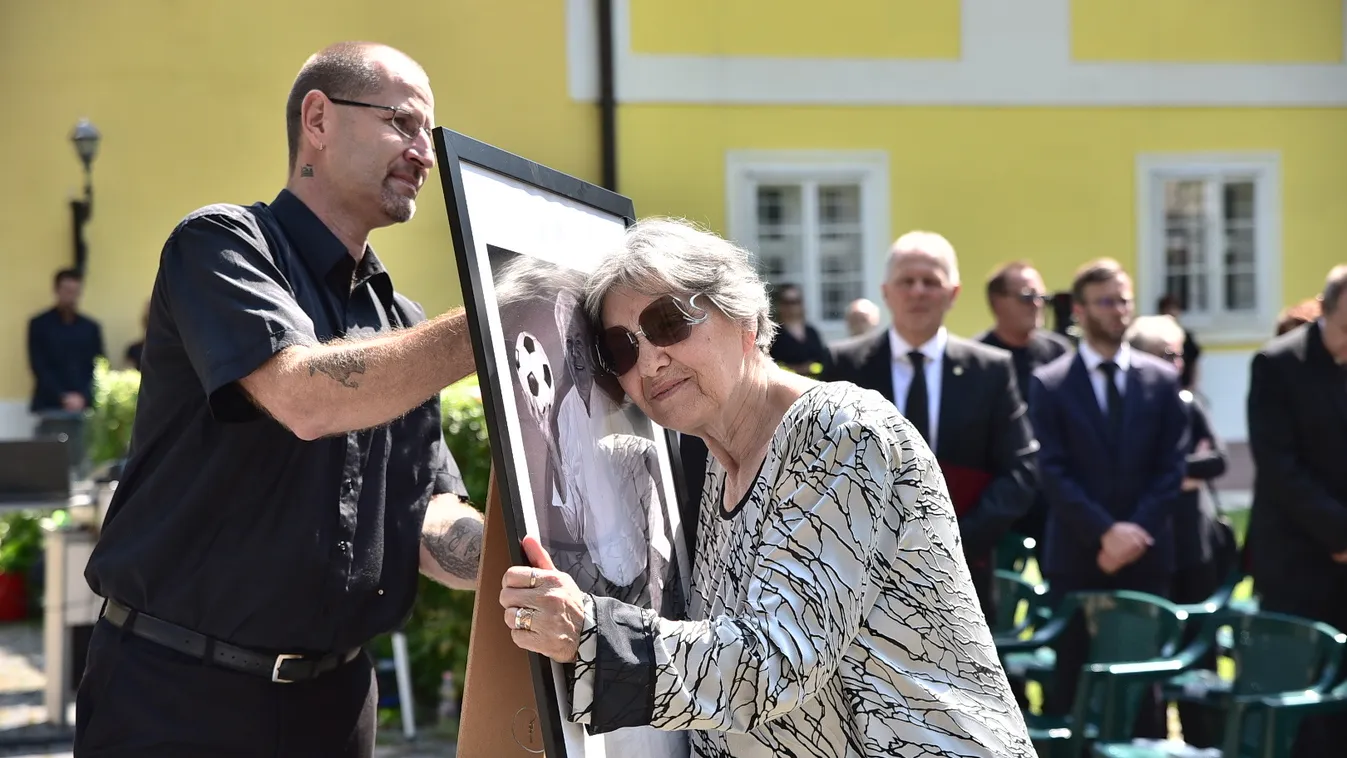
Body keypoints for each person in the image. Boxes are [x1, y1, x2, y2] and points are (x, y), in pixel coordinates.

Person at [76, 42, 486, 757]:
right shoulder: (220, 246)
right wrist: (498, 320)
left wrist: (553, 567)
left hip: (334, 709)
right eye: (403, 123)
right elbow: (305, 397)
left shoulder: (404, 325)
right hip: (175, 700)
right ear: (318, 120)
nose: (424, 153)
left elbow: (425, 514)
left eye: (428, 135)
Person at [498, 217, 1035, 758]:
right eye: (622, 347)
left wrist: (592, 633)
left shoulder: (841, 430)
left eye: (669, 321)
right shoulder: (714, 464)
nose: (652, 360)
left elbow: (780, 658)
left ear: (744, 320)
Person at [824, 231, 1037, 620]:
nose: (918, 291)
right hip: (865, 581)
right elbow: (823, 466)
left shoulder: (990, 370)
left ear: (953, 293)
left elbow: (1021, 470)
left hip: (963, 577)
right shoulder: (845, 366)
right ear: (886, 292)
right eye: (907, 281)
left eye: (931, 282)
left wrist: (954, 539)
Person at [1028, 259, 1187, 732]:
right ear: (1079, 310)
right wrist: (1104, 533)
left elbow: (1171, 468)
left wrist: (1133, 533)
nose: (1118, 311)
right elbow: (1052, 471)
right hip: (1078, 556)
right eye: (1105, 301)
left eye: (1124, 300)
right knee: (1073, 683)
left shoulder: (1160, 380)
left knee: (1142, 691)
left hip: (1145, 555)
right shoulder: (1050, 383)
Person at [1246, 264, 1347, 757]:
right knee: (1297, 694)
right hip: (1297, 558)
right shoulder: (1278, 364)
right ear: (1326, 310)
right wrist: (1340, 535)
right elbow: (1279, 466)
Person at [976, 260, 1074, 545]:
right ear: (997, 302)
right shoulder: (979, 359)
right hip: (999, 490)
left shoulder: (1059, 352)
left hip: (1051, 488)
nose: (1037, 305)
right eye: (1027, 297)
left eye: (1042, 297)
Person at [27, 268, 104, 443]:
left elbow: (98, 365)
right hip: (50, 405)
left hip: (84, 408)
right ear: (56, 290)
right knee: (49, 461)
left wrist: (83, 396)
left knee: (82, 460)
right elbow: (38, 365)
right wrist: (62, 396)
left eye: (75, 292)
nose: (71, 296)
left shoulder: (90, 328)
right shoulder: (39, 325)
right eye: (67, 291)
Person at [766, 283, 831, 376]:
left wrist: (811, 368)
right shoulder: (773, 333)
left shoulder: (811, 331)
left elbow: (822, 359)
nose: (792, 307)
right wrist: (798, 369)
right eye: (787, 302)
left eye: (796, 301)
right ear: (780, 304)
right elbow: (770, 363)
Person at [1158, 293, 1201, 391]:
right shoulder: (1156, 338)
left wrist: (1193, 387)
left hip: (1183, 386)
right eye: (1168, 309)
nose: (1172, 313)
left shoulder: (1186, 337)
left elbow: (1194, 363)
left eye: (1174, 309)